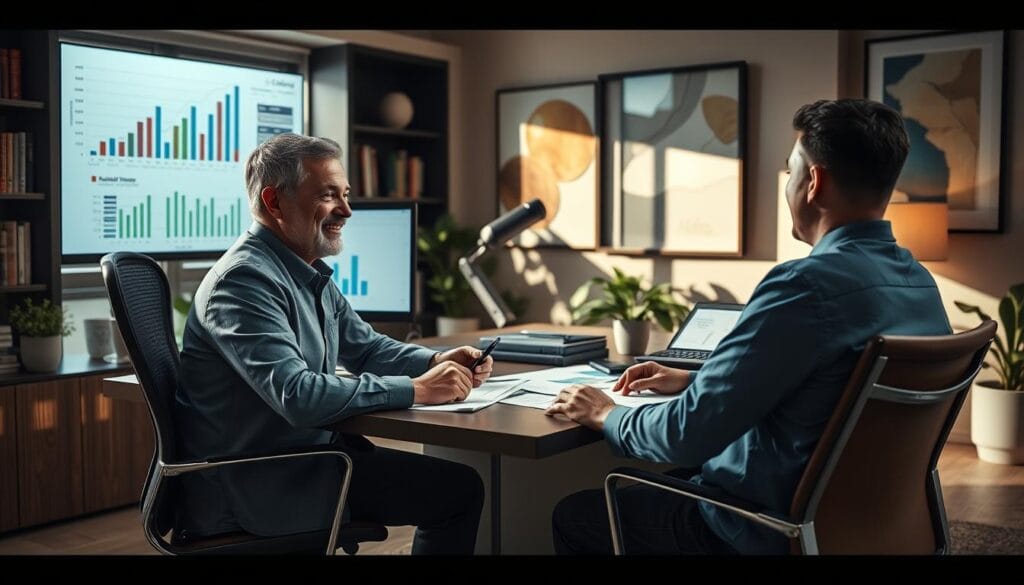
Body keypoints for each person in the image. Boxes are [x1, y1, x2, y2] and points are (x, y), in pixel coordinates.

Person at [546, 98, 953, 555]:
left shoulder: (803, 286)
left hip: (764, 527)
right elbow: (837, 388)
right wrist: (698, 380)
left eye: (790, 170)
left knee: (577, 516)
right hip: (866, 523)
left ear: (814, 182)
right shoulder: (919, 283)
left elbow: (686, 435)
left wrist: (607, 414)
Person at [176, 133, 489, 554]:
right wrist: (418, 389)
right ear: (274, 202)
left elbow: (367, 348)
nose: (346, 210)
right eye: (329, 196)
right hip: (260, 485)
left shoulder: (305, 269)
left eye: (345, 195)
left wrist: (435, 359)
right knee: (457, 491)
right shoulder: (243, 281)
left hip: (305, 462)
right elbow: (298, 394)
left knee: (455, 485)